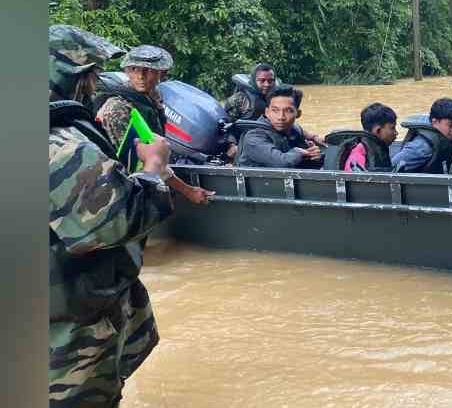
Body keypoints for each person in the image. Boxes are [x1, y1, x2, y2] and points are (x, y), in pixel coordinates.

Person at [48, 25, 175, 406]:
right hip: (65, 333)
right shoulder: (61, 145)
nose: (97, 81)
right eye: (90, 72)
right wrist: (155, 170)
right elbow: (119, 220)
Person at [94, 45, 212, 204]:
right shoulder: (118, 108)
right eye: (134, 69)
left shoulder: (153, 99)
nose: (140, 76)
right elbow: (143, 163)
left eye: (148, 70)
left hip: (144, 180)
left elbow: (156, 158)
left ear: (162, 74)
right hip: (118, 193)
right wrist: (188, 191)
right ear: (127, 71)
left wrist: (187, 190)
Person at [235, 85, 324, 168]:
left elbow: (306, 157)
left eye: (288, 111)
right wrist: (299, 152)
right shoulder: (254, 137)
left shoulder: (295, 130)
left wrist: (314, 155)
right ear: (267, 112)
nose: (281, 117)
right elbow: (282, 162)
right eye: (275, 110)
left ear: (298, 114)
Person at [391, 98, 452, 173]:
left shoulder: (444, 138)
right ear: (435, 122)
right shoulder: (422, 147)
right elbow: (392, 168)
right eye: (450, 125)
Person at [328, 103, 398, 171]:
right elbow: (354, 176)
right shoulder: (359, 150)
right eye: (392, 128)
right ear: (378, 130)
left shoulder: (379, 147)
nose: (396, 133)